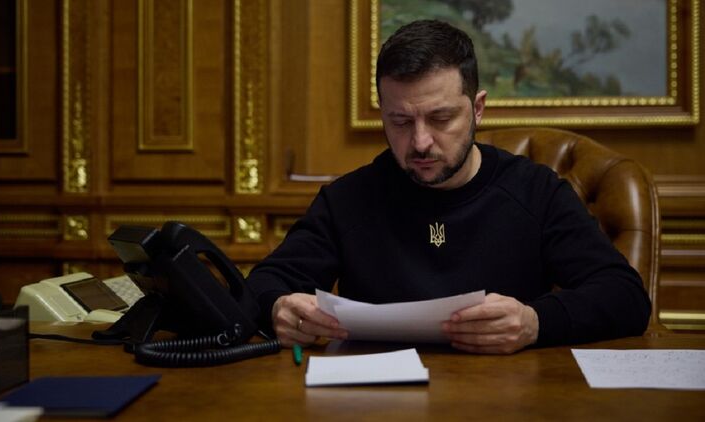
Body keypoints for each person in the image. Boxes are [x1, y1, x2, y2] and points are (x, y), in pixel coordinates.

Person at [246, 20, 651, 354]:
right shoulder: (348, 199)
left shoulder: (535, 191)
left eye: (441, 119)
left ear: (477, 109)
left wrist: (535, 322)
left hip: (509, 399)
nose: (420, 142)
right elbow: (263, 284)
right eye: (401, 122)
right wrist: (279, 307)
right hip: (377, 403)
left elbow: (626, 296)